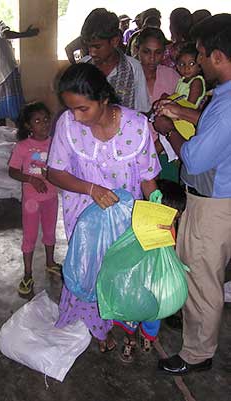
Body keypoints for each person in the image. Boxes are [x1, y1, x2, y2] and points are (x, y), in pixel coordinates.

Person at [47, 62, 160, 353]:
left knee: (121, 272)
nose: (75, 116)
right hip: (84, 217)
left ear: (104, 99)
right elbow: (55, 172)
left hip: (124, 220)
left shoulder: (136, 126)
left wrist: (158, 217)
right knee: (89, 270)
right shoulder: (68, 125)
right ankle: (98, 329)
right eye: (70, 108)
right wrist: (91, 189)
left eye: (83, 108)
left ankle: (123, 322)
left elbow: (148, 177)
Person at [153, 14, 231, 375]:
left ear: (218, 56)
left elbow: (196, 158)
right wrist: (182, 110)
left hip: (213, 203)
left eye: (200, 55)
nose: (197, 62)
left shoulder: (227, 105)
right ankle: (197, 340)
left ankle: (197, 354)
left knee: (202, 280)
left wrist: (169, 129)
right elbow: (213, 126)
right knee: (200, 271)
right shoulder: (224, 97)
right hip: (218, 199)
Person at [8, 102, 61, 296]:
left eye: (46, 119)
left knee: (50, 232)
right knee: (30, 236)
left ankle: (50, 262)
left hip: (51, 198)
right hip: (32, 201)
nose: (44, 124)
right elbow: (12, 171)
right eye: (37, 121)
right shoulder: (23, 147)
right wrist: (31, 179)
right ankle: (28, 274)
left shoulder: (56, 143)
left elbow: (60, 167)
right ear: (29, 126)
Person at [80, 8, 150, 113]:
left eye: (97, 47)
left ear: (114, 41)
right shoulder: (83, 67)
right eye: (88, 47)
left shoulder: (133, 68)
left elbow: (142, 110)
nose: (92, 53)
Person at [135, 27, 180, 182]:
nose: (152, 58)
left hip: (167, 153)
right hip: (134, 154)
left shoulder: (172, 77)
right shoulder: (128, 78)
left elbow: (180, 119)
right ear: (137, 50)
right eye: (146, 52)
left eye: (158, 53)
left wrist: (157, 147)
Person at [0, 12, 39, 126]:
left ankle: (1, 136)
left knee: (0, 109)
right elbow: (6, 33)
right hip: (6, 71)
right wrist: (26, 34)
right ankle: (22, 134)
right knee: (16, 108)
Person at [175, 42, 206, 107]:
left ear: (199, 66)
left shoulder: (196, 82)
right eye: (182, 64)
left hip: (187, 113)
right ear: (178, 67)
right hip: (179, 112)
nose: (186, 68)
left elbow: (190, 105)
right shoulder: (182, 80)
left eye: (191, 64)